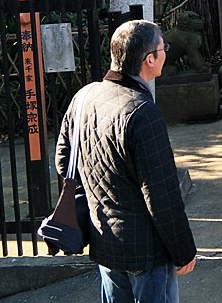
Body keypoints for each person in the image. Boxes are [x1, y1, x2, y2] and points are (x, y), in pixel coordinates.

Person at [55, 20, 197, 303]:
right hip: (146, 252)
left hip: (104, 240)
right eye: (162, 48)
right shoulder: (143, 112)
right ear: (149, 59)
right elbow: (161, 194)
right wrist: (184, 251)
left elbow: (63, 162)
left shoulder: (84, 97)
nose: (165, 52)